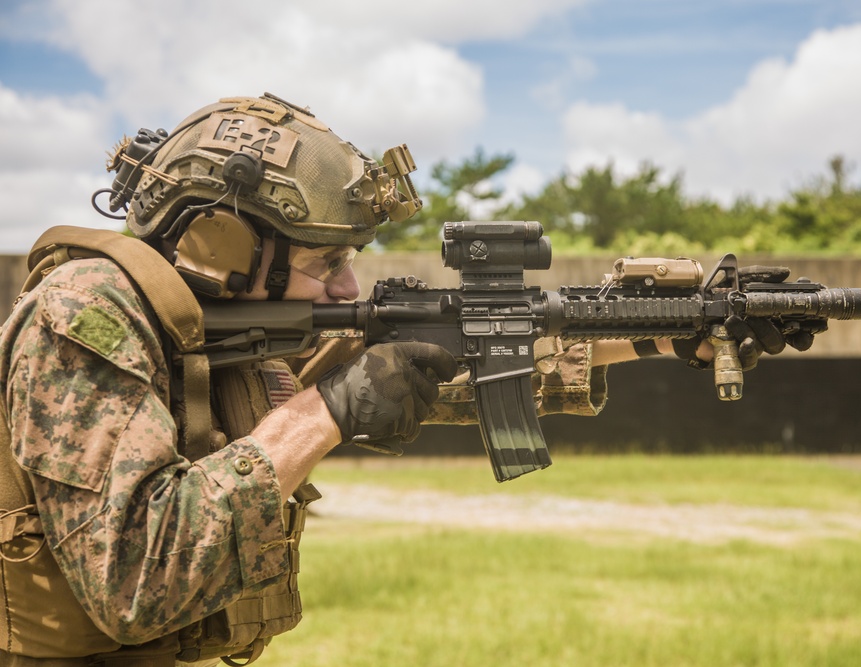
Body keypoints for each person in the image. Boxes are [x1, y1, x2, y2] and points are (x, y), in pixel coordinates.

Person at [0, 93, 816, 666]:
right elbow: (139, 575)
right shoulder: (86, 316)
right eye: (327, 260)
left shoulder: (225, 323)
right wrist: (323, 412)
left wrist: (668, 334)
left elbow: (450, 377)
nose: (349, 287)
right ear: (222, 244)